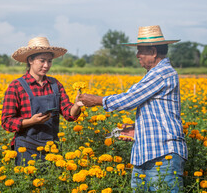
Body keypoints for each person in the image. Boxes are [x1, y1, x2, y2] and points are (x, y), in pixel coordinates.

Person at [79, 25, 188, 192]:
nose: (137, 55)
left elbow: (130, 99)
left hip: (163, 155)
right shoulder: (156, 73)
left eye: (140, 51)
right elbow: (156, 113)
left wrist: (97, 100)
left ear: (153, 52)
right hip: (147, 154)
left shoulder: (162, 73)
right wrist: (139, 129)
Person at [1, 36, 82, 166]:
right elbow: (6, 122)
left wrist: (77, 105)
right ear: (30, 60)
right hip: (26, 148)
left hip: (52, 148)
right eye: (42, 61)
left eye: (49, 61)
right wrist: (31, 121)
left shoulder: (55, 84)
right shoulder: (16, 86)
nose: (46, 65)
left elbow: (69, 114)